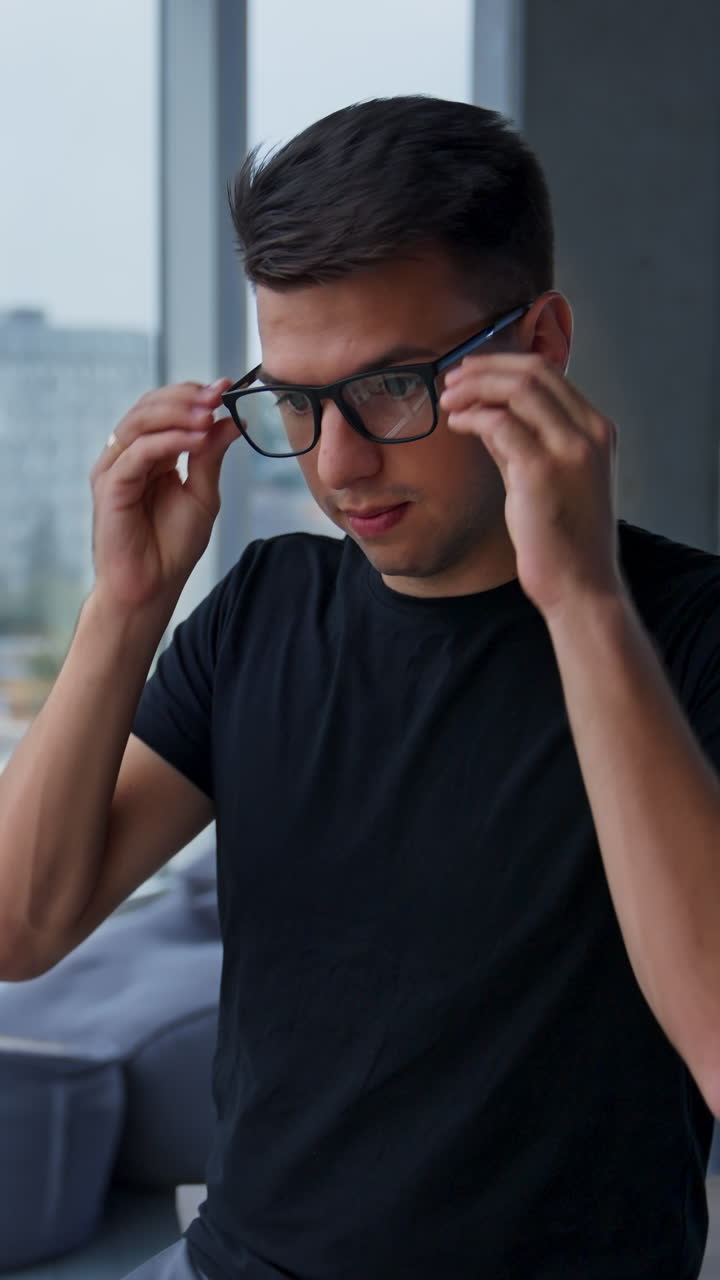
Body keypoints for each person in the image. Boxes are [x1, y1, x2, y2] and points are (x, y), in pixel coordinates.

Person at [2, 95, 720, 1280]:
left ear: (539, 344)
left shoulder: (688, 631)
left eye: (392, 386)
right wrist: (126, 607)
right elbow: (19, 928)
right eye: (294, 399)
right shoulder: (264, 608)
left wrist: (583, 602)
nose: (337, 464)